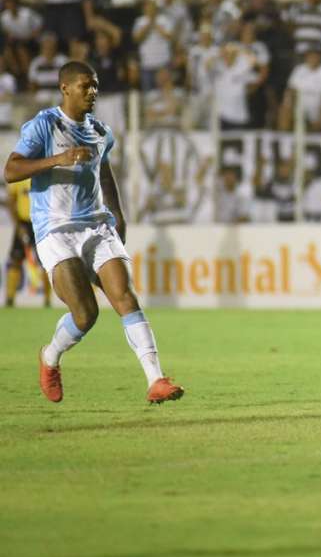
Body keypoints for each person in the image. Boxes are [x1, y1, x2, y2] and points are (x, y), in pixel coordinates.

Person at [2, 61, 184, 404]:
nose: (92, 92)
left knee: (125, 296)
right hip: (55, 230)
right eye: (85, 86)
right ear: (65, 88)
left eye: (96, 85)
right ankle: (50, 357)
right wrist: (58, 160)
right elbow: (11, 170)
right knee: (86, 314)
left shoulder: (101, 131)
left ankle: (156, 380)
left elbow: (104, 173)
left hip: (97, 225)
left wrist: (118, 214)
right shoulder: (44, 125)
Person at [6, 177, 51, 307]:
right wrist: (18, 225)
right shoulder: (19, 177)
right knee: (16, 259)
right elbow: (11, 201)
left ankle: (47, 300)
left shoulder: (44, 176)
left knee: (46, 262)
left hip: (42, 224)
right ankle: (10, 298)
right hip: (24, 223)